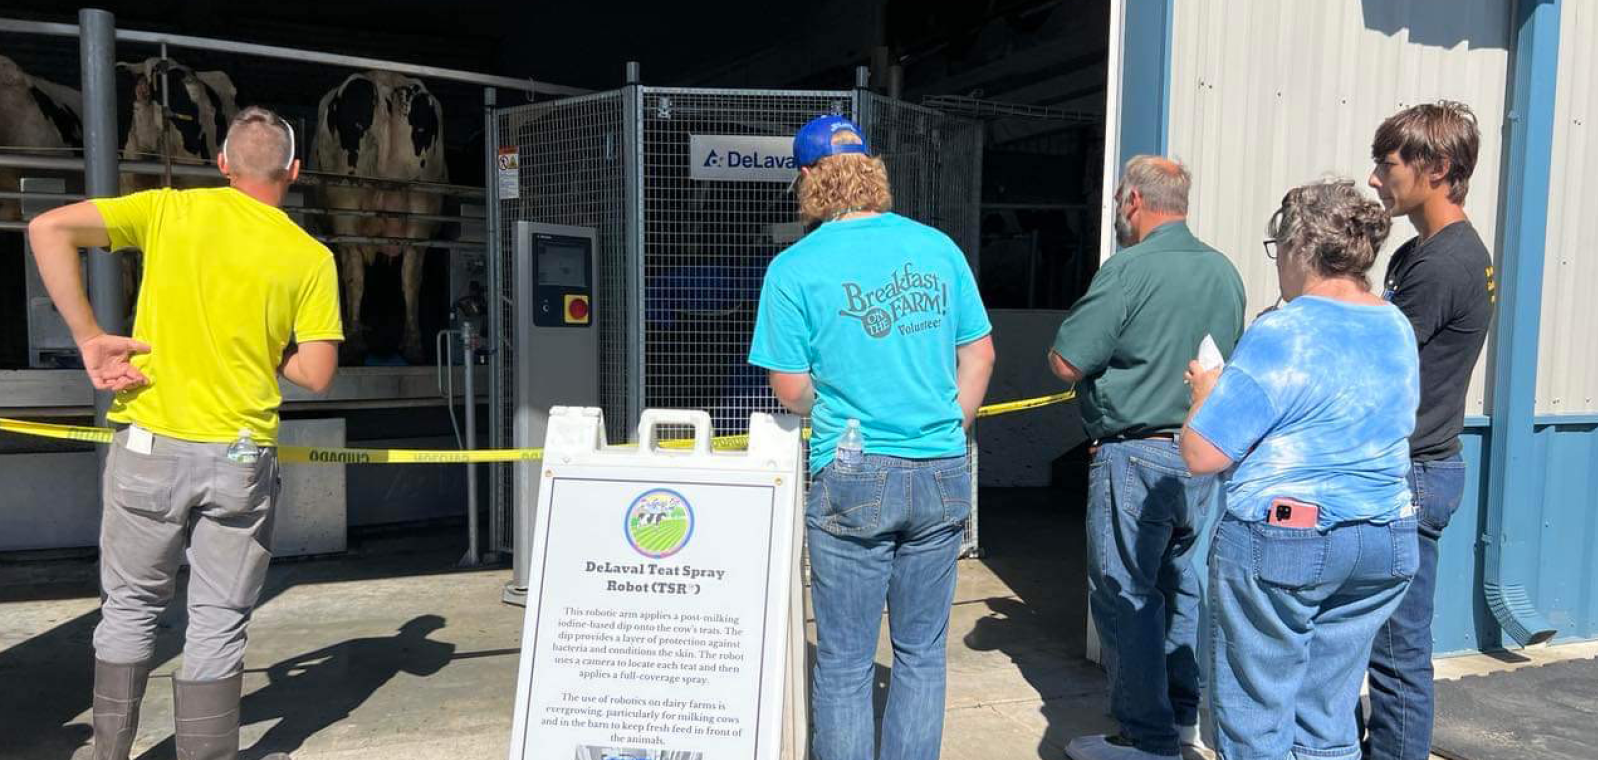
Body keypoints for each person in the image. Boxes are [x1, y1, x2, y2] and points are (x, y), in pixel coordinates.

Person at [28, 106, 342, 760]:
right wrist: (261, 343)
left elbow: (47, 227)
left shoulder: (169, 210)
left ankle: (110, 752)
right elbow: (315, 373)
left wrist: (89, 337)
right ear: (295, 171)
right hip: (240, 458)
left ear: (222, 165)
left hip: (149, 448)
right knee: (219, 621)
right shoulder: (310, 257)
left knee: (130, 609)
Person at [748, 114, 995, 760]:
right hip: (939, 466)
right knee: (919, 655)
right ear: (871, 171)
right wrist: (951, 424)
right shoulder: (938, 249)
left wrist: (825, 405)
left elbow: (788, 384)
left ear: (808, 179)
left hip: (852, 470)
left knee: (846, 662)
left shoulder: (794, 267)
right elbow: (981, 355)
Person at [1181, 179, 1420, 760]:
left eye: (1277, 246)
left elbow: (1202, 453)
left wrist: (1205, 394)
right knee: (1327, 720)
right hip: (1385, 537)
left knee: (1256, 723)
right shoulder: (1395, 325)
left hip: (1284, 538)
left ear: (1299, 246)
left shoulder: (1283, 331)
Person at [1050, 156, 1245, 760]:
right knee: (1183, 585)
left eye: (1117, 202)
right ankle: (1181, 718)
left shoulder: (1127, 271)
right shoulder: (1225, 272)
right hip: (1201, 455)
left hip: (1134, 456)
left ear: (1133, 200)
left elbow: (1065, 361)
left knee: (1126, 593)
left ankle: (1144, 735)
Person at [1361, 101, 1494, 760]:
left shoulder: (1445, 263)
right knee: (1385, 644)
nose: (1375, 180)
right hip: (1413, 469)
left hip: (1411, 475)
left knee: (1395, 654)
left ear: (1437, 168)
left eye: (1387, 166)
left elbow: (1378, 361)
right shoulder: (1422, 251)